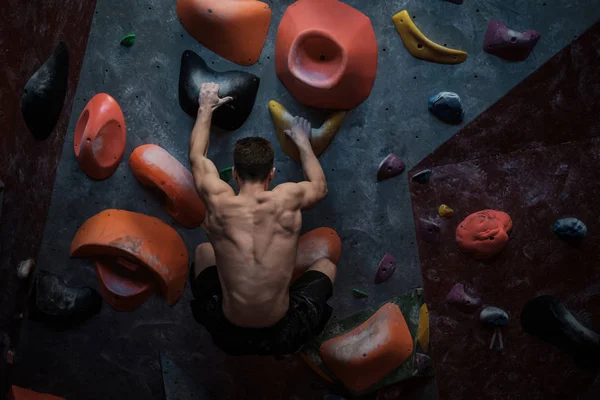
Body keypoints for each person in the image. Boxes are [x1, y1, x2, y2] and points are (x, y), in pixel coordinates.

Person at [188, 83, 337, 356]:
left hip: (226, 333)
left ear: (234, 173)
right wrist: (303, 143)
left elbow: (197, 157)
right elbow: (319, 187)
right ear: (272, 174)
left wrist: (206, 107)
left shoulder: (218, 200)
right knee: (327, 265)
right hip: (283, 333)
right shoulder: (287, 198)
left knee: (203, 251)